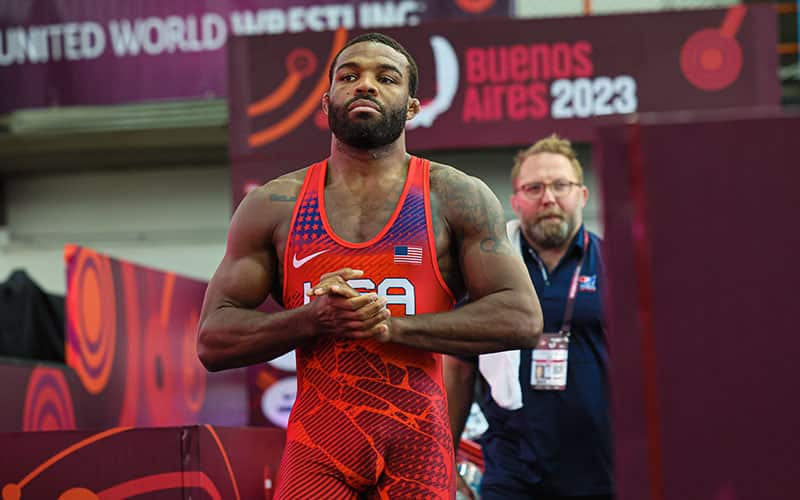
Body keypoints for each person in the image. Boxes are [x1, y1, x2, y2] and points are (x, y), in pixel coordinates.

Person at [197, 32, 543, 499]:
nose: (366, 85)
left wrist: (389, 327)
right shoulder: (273, 205)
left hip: (417, 443)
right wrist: (314, 318)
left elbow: (521, 318)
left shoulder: (455, 195)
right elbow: (212, 340)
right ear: (325, 102)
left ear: (414, 106)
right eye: (349, 76)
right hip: (320, 445)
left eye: (386, 77)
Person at [444, 134, 613, 500]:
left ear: (582, 196)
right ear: (516, 200)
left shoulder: (616, 265)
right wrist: (442, 458)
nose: (548, 198)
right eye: (534, 187)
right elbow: (457, 367)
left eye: (560, 185)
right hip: (513, 472)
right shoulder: (485, 272)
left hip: (604, 469)